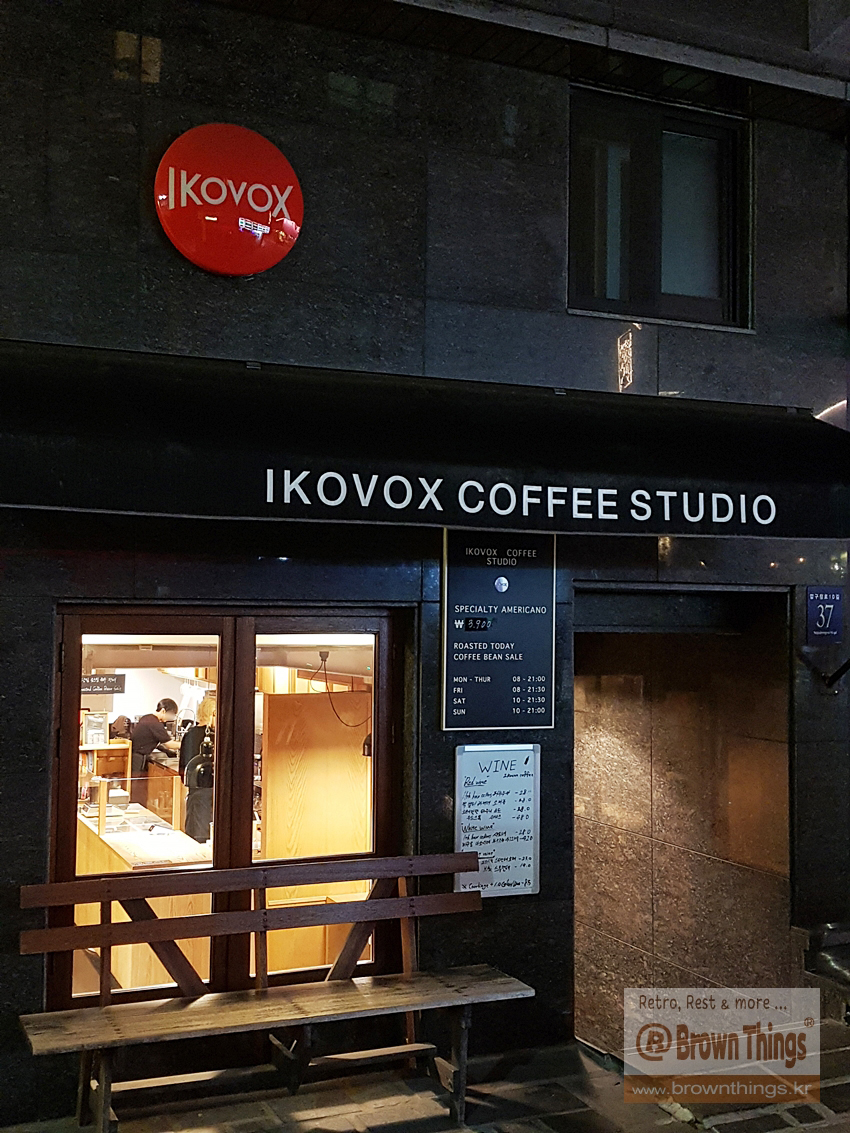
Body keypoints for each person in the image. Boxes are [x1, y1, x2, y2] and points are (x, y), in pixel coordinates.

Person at [130, 698, 180, 804]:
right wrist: (186, 744)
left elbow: (156, 742)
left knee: (136, 787)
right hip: (139, 758)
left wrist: (167, 751)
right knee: (137, 788)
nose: (170, 718)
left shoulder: (147, 718)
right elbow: (169, 744)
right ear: (163, 711)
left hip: (135, 756)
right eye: (171, 715)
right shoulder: (155, 724)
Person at [179, 697, 215, 843]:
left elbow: (182, 767)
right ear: (213, 713)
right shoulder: (213, 737)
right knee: (204, 834)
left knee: (194, 831)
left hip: (193, 791)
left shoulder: (190, 734)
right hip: (207, 791)